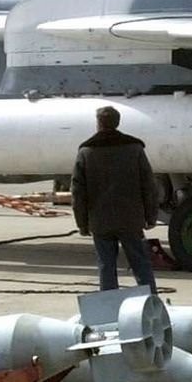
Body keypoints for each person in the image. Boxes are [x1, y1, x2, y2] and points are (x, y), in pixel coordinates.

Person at [71, 106, 160, 291]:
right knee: (140, 264)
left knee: (106, 267)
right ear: (117, 123)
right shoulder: (135, 149)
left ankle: (110, 305)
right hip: (130, 219)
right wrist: (151, 217)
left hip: (100, 221)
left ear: (98, 124)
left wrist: (82, 224)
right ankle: (150, 300)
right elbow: (149, 185)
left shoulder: (86, 152)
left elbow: (78, 193)